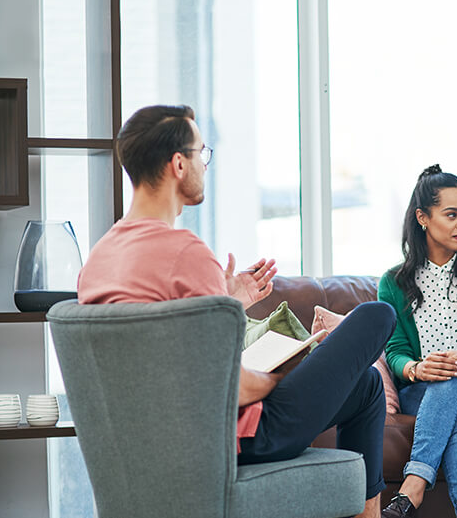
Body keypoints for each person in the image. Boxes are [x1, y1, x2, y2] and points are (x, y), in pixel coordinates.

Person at [77, 104, 395, 518]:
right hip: (239, 437)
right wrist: (282, 370)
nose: (204, 165)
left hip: (162, 446)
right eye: (201, 153)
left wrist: (226, 305)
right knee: (377, 316)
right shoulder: (186, 253)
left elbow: (167, 355)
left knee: (368, 385)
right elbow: (232, 388)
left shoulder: (99, 261)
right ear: (178, 164)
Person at [378, 165, 457, 518]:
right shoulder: (393, 282)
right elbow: (396, 353)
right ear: (423, 217)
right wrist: (418, 368)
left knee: (452, 376)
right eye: (451, 215)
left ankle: (412, 488)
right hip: (424, 390)